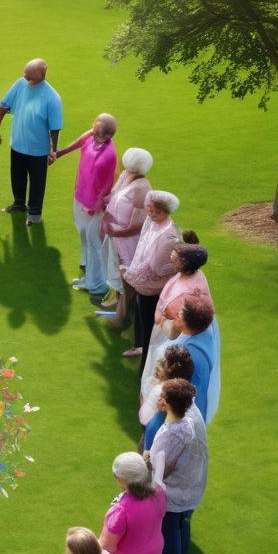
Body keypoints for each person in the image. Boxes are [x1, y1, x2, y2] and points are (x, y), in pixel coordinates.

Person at [54, 114, 119, 304]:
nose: (93, 133)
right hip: (80, 195)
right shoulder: (92, 135)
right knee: (84, 236)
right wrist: (59, 153)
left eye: (97, 132)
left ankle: (97, 284)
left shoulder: (109, 155)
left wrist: (97, 206)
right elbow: (79, 142)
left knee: (94, 242)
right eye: (93, 128)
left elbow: (108, 183)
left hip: (93, 206)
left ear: (108, 136)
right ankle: (89, 277)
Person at [151, 378, 209, 554]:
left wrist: (147, 459)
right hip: (189, 480)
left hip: (175, 488)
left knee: (169, 527)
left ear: (167, 402)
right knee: (179, 523)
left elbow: (161, 468)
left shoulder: (173, 433)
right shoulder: (189, 413)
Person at [0, 58, 63, 224]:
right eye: (25, 75)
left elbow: (55, 128)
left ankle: (35, 214)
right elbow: (3, 106)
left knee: (37, 183)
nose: (26, 79)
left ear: (41, 76)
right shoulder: (20, 84)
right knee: (17, 176)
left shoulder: (52, 98)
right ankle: (18, 204)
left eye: (30, 77)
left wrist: (53, 151)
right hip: (17, 144)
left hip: (38, 150)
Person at [120, 190, 182, 371]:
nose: (152, 214)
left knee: (150, 332)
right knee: (140, 321)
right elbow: (142, 249)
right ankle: (140, 349)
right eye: (151, 210)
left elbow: (157, 267)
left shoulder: (169, 235)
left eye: (156, 212)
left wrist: (129, 273)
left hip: (154, 291)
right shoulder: (151, 222)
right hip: (143, 287)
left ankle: (145, 372)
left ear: (166, 211)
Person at [140, 239, 211, 391]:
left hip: (170, 335)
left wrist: (160, 319)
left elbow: (173, 333)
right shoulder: (197, 274)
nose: (172, 260)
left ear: (185, 263)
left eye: (175, 259)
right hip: (171, 325)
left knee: (160, 370)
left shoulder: (185, 294)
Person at [94, 147, 154, 328]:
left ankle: (121, 316)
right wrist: (100, 202)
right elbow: (114, 195)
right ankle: (118, 302)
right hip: (116, 235)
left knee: (127, 277)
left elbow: (137, 225)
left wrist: (116, 232)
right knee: (116, 270)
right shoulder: (126, 175)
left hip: (128, 240)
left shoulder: (142, 187)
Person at [171, 295, 220, 422]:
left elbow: (176, 388)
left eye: (181, 314)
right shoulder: (203, 334)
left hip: (187, 412)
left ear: (188, 322)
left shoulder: (187, 353)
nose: (176, 313)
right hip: (197, 405)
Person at [139, 344, 195, 444]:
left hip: (155, 436)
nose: (158, 364)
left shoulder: (159, 391)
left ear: (171, 370)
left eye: (162, 364)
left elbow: (144, 417)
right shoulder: (186, 391)